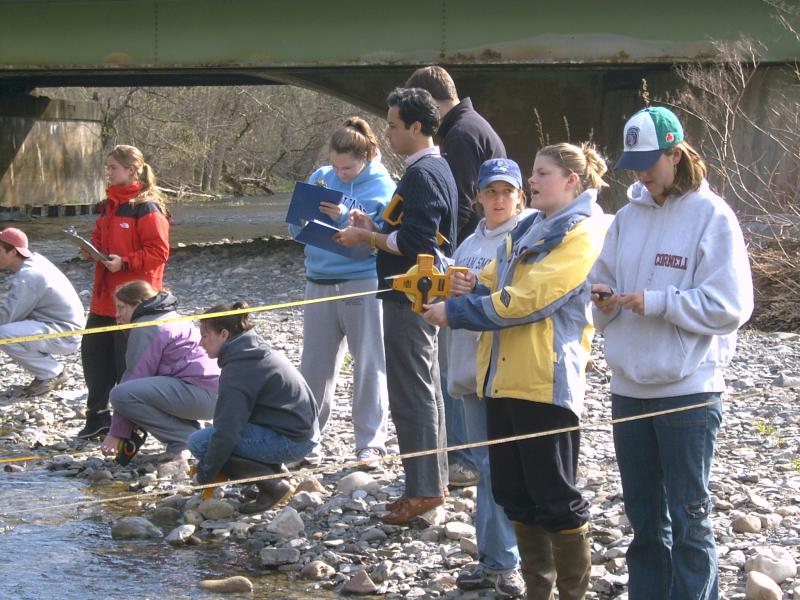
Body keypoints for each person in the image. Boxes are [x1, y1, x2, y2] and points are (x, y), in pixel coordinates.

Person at [424, 142, 610, 599]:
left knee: (556, 497)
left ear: (571, 181)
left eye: (541, 173)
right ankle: (537, 592)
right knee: (514, 492)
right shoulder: (533, 228)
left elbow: (532, 299)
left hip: (544, 384)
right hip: (501, 381)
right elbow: (504, 280)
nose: (532, 182)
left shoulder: (582, 232)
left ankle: (570, 594)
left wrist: (459, 312)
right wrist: (474, 282)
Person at [590, 106, 754, 600]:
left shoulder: (713, 216)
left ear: (675, 153)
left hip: (689, 392)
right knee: (644, 522)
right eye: (634, 163)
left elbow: (731, 307)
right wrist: (601, 297)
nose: (641, 173)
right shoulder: (625, 218)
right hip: (628, 389)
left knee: (689, 520)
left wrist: (658, 302)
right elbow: (603, 281)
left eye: (649, 162)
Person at [335, 87, 457, 525]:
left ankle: (423, 489)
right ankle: (431, 481)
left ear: (417, 128)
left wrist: (366, 238)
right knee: (424, 388)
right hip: (417, 296)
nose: (386, 133)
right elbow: (409, 228)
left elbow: (416, 242)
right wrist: (376, 225)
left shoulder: (423, 174)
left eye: (393, 125)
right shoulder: (431, 169)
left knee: (412, 392)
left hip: (412, 297)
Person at [406, 66, 507, 487]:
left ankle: (465, 458)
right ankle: (471, 453)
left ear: (430, 102)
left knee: (458, 367)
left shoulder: (462, 135)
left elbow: (464, 204)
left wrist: (445, 260)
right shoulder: (469, 125)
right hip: (476, 258)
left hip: (469, 263)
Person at [288, 117, 393, 468]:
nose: (341, 174)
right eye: (336, 166)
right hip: (318, 279)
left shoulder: (381, 184)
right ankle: (308, 439)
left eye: (348, 168)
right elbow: (294, 225)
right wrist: (299, 218)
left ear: (366, 157)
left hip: (361, 279)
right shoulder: (322, 176)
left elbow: (380, 235)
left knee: (368, 363)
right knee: (314, 365)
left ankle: (370, 443)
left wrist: (347, 214)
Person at [445, 159, 528, 597]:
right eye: (491, 192)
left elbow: (515, 300)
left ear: (519, 195)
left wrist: (475, 289)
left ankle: (506, 562)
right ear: (478, 195)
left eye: (506, 192)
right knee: (483, 468)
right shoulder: (469, 242)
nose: (499, 200)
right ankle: (490, 558)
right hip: (465, 370)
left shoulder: (525, 235)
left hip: (501, 373)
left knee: (499, 469)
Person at [188, 302, 319, 514]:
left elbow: (227, 432)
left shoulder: (239, 367)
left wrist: (204, 475)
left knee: (200, 442)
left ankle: (274, 486)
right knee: (217, 440)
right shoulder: (251, 349)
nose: (201, 343)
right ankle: (273, 473)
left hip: (292, 440)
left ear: (223, 334)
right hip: (299, 431)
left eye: (204, 336)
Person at [78, 144, 171, 440]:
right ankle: (97, 418)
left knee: (127, 366)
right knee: (94, 359)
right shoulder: (108, 205)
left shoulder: (147, 207)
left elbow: (159, 252)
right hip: (104, 298)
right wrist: (90, 250)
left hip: (134, 302)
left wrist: (126, 262)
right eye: (107, 167)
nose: (108, 172)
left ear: (132, 170)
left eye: (112, 168)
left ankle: (131, 424)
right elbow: (100, 237)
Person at [99, 281, 219, 463]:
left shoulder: (147, 326)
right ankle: (190, 439)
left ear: (138, 304)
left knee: (120, 394)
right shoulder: (170, 315)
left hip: (202, 395)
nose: (117, 315)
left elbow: (133, 379)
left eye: (121, 308)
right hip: (215, 394)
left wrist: (117, 432)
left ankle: (185, 439)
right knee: (147, 389)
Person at [0, 227, 84, 396]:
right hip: (61, 326)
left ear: (13, 252)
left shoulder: (29, 276)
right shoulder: (35, 261)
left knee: (3, 333)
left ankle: (51, 373)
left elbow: (6, 317)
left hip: (65, 334)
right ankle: (50, 372)